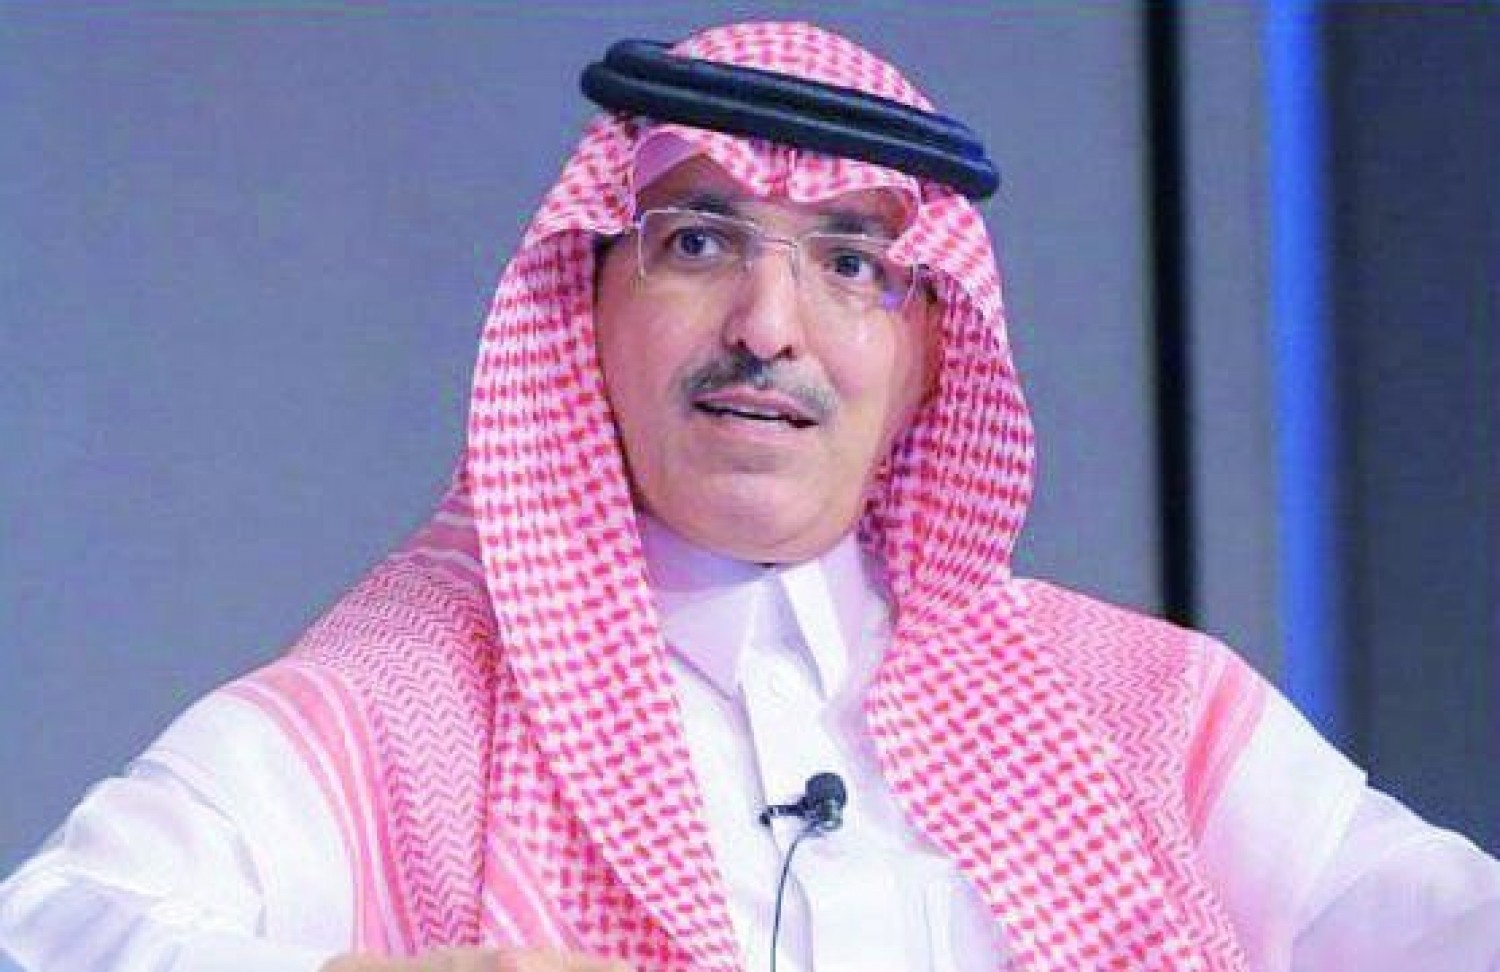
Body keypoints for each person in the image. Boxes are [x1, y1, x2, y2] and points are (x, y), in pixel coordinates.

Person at [1, 20, 1497, 972]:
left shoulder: (1134, 712)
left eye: (850, 264)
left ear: (929, 352)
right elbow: (56, 928)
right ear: (589, 304)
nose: (768, 328)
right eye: (700, 243)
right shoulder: (405, 709)